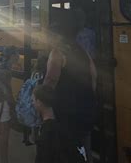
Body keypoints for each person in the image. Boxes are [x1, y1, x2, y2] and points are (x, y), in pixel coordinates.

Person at [43, 11, 97, 163]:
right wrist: (88, 100)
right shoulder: (83, 51)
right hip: (86, 110)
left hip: (65, 114)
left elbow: (50, 81)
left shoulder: (57, 53)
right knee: (85, 149)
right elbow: (94, 77)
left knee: (65, 151)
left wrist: (42, 106)